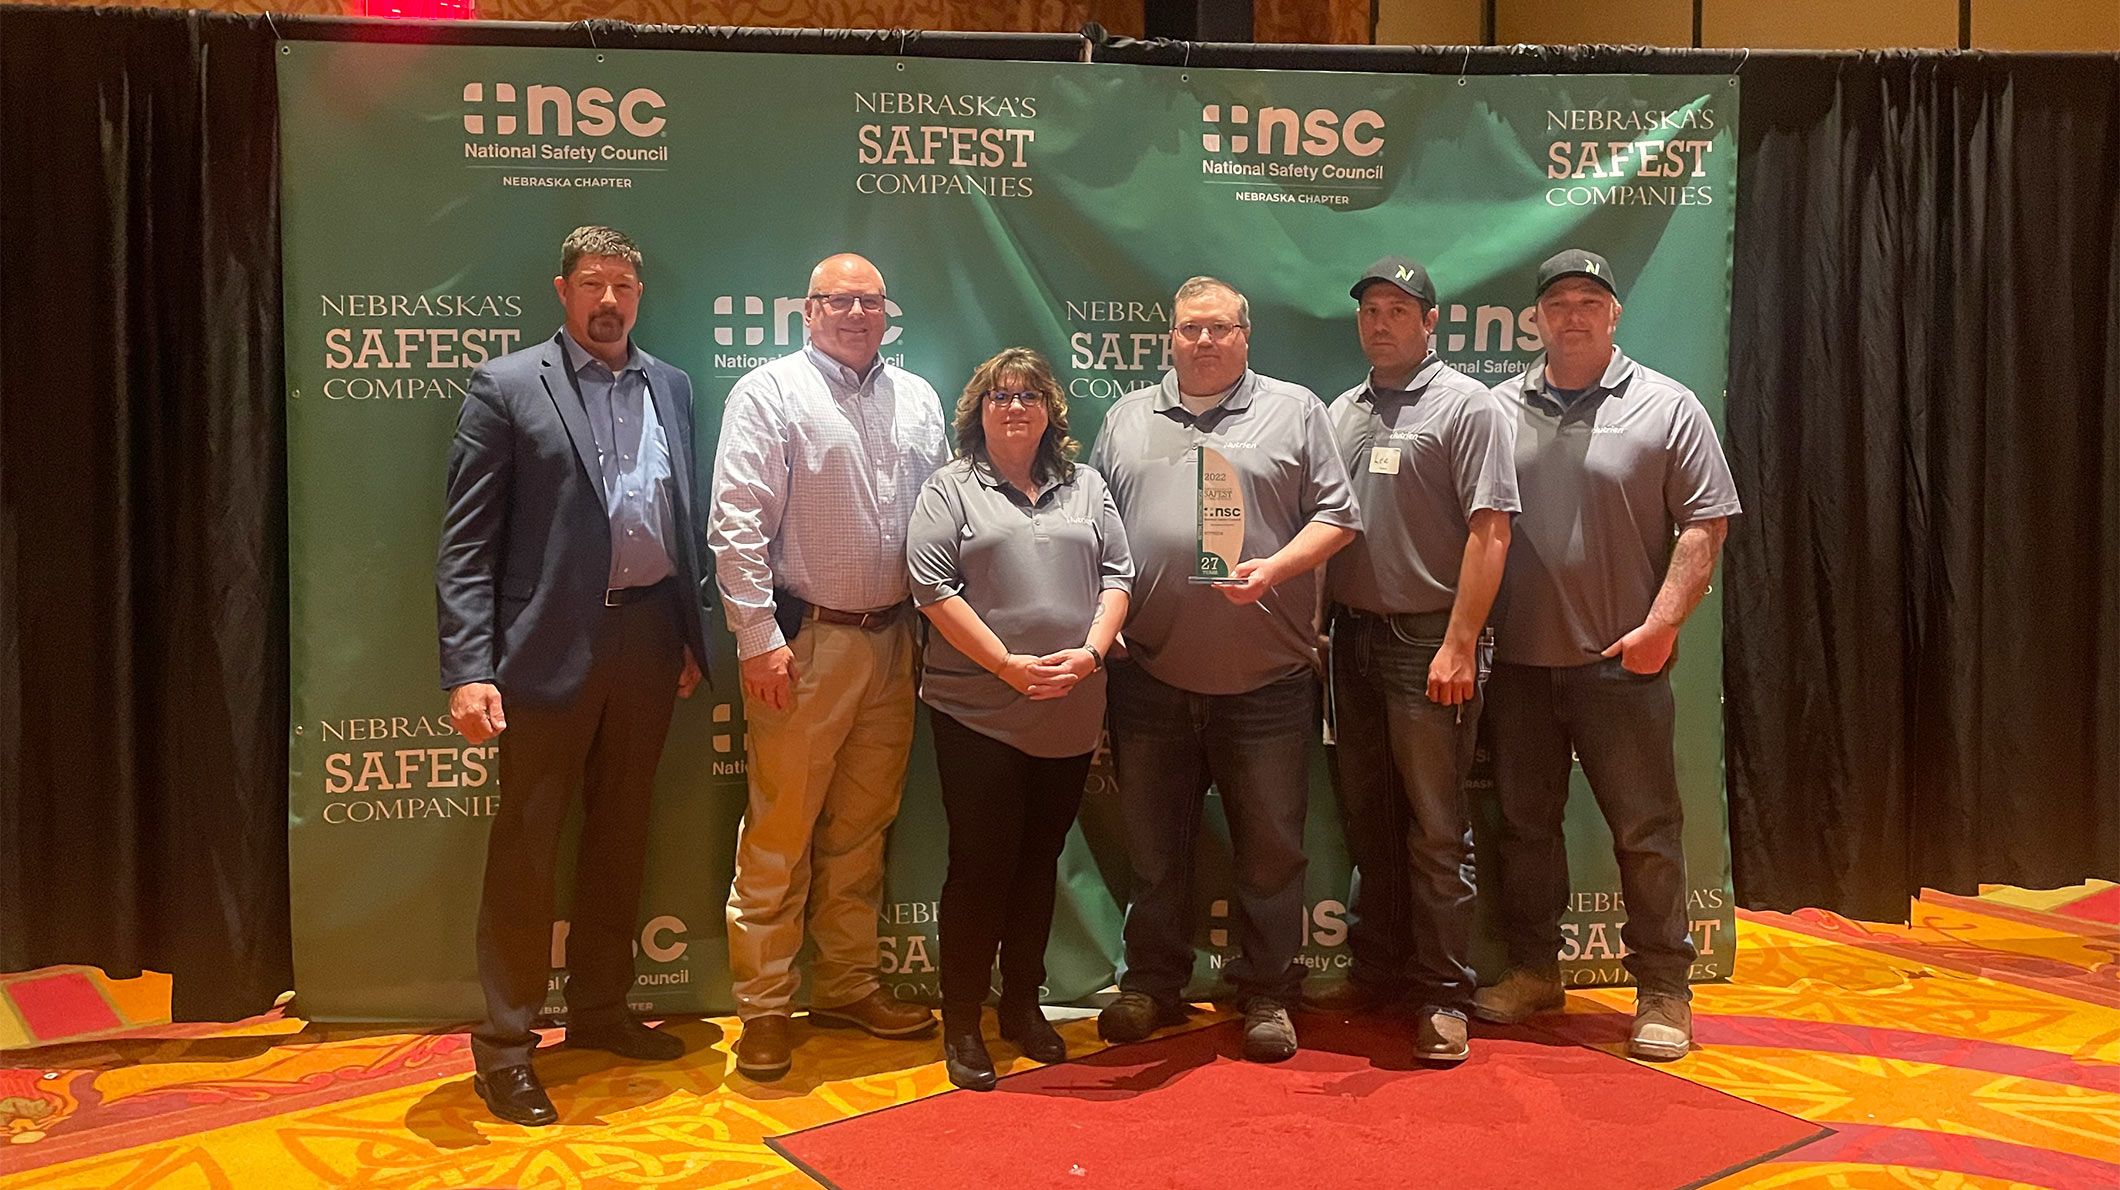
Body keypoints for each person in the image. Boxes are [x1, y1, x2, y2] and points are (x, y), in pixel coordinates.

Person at [437, 225, 711, 1127]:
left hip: (648, 641)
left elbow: (678, 519)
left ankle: (600, 1010)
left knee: (622, 834)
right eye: (592, 283)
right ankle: (506, 1048)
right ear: (563, 291)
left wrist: (686, 636)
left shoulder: (671, 385)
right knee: (527, 849)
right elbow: (467, 545)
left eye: (623, 285)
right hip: (543, 652)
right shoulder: (509, 386)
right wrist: (468, 668)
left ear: (640, 294)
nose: (609, 300)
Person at [1472, 249, 1741, 1061]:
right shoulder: (1495, 409)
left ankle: (1663, 989)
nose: (1574, 315)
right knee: (1524, 830)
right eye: (1558, 303)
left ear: (1615, 314)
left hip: (1623, 667)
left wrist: (1661, 627)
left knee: (1646, 831)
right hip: (1518, 668)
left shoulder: (1669, 405)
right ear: (1536, 319)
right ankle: (1534, 970)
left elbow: (1705, 524)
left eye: (1590, 301)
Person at [1088, 276, 1361, 1063]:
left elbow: (1339, 516)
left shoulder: (1295, 410)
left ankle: (1269, 992)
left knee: (1272, 850)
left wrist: (1275, 568)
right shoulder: (1125, 418)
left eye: (1219, 328)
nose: (1203, 341)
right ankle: (1151, 983)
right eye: (1189, 329)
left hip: (1268, 680)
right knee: (1154, 849)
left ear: (1245, 336)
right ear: (1169, 339)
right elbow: (1092, 526)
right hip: (1150, 675)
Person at [710, 253, 950, 1081]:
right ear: (807, 311)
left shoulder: (918, 399)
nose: (855, 313)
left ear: (887, 312)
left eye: (869, 301)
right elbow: (736, 523)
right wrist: (757, 639)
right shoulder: (770, 393)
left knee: (861, 830)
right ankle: (765, 1007)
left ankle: (847, 986)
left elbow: (942, 519)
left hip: (897, 640)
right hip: (806, 643)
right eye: (838, 301)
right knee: (780, 834)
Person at [904, 347, 1133, 1091]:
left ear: (1049, 411)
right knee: (980, 866)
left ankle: (1022, 1006)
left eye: (1029, 395)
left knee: (1039, 862)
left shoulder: (1086, 485)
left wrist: (1090, 656)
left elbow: (1119, 575)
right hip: (977, 708)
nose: (1014, 406)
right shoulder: (948, 488)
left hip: (1069, 704)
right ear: (979, 410)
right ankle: (962, 1019)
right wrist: (1006, 665)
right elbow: (932, 589)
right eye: (1000, 395)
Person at [1317, 257, 1517, 1064]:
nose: (1381, 322)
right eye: (1371, 310)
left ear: (1431, 322)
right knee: (1369, 818)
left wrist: (1460, 642)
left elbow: (1491, 530)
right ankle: (1380, 970)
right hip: (1352, 642)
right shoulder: (1342, 411)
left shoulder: (1468, 406)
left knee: (1436, 828)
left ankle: (1442, 994)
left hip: (1429, 642)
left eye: (1399, 310)